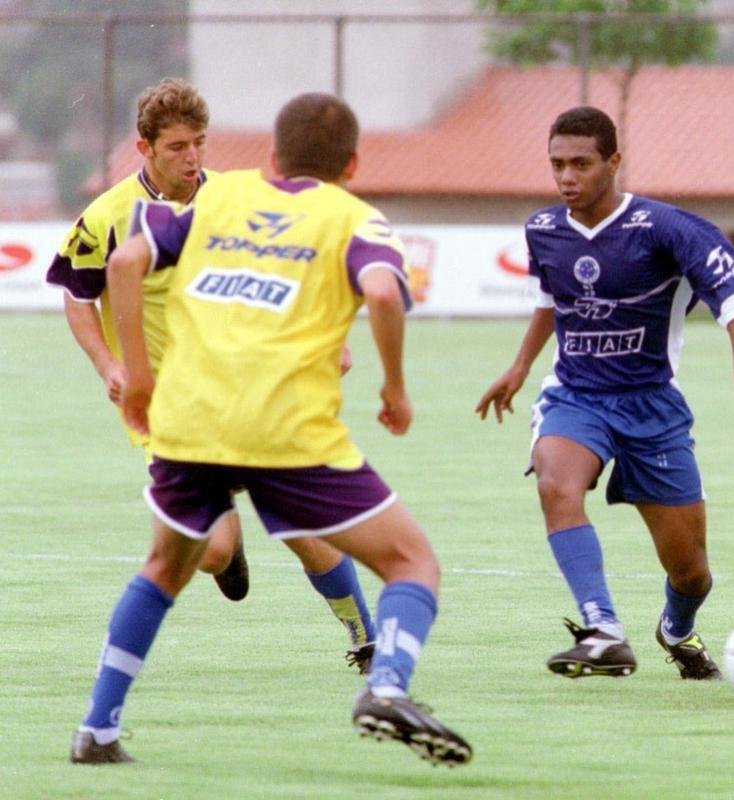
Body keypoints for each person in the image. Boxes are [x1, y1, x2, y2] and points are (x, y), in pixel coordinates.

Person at [69, 91, 471, 767]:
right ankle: (385, 685)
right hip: (284, 431)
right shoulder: (356, 218)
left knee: (164, 567)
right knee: (411, 562)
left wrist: (135, 376)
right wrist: (395, 387)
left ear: (274, 157)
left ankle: (97, 730)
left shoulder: (218, 200)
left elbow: (124, 263)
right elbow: (381, 293)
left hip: (190, 420)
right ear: (352, 164)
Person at [47, 78, 377, 671]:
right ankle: (228, 540)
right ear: (145, 148)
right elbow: (77, 294)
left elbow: (291, 272)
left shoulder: (235, 200)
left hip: (247, 389)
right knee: (212, 552)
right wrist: (108, 364)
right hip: (167, 408)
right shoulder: (108, 216)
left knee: (303, 525)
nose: (192, 157)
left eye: (199, 142)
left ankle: (365, 639)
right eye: (177, 147)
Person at [476, 106, 734, 682]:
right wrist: (519, 367)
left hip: (651, 405)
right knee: (555, 483)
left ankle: (677, 629)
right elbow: (551, 299)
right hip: (575, 395)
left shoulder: (666, 228)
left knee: (691, 572)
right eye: (557, 164)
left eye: (581, 164)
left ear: (613, 162)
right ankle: (603, 630)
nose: (567, 176)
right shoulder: (543, 229)